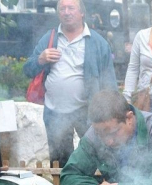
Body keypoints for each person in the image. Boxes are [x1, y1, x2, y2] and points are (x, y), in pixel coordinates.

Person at [23, 0, 117, 168]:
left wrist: (110, 112)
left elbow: (109, 83)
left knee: (95, 156)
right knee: (59, 161)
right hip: (55, 112)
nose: (66, 12)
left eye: (71, 8)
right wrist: (40, 59)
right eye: (62, 9)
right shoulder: (49, 38)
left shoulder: (98, 42)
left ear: (82, 13)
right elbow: (28, 70)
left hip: (86, 111)